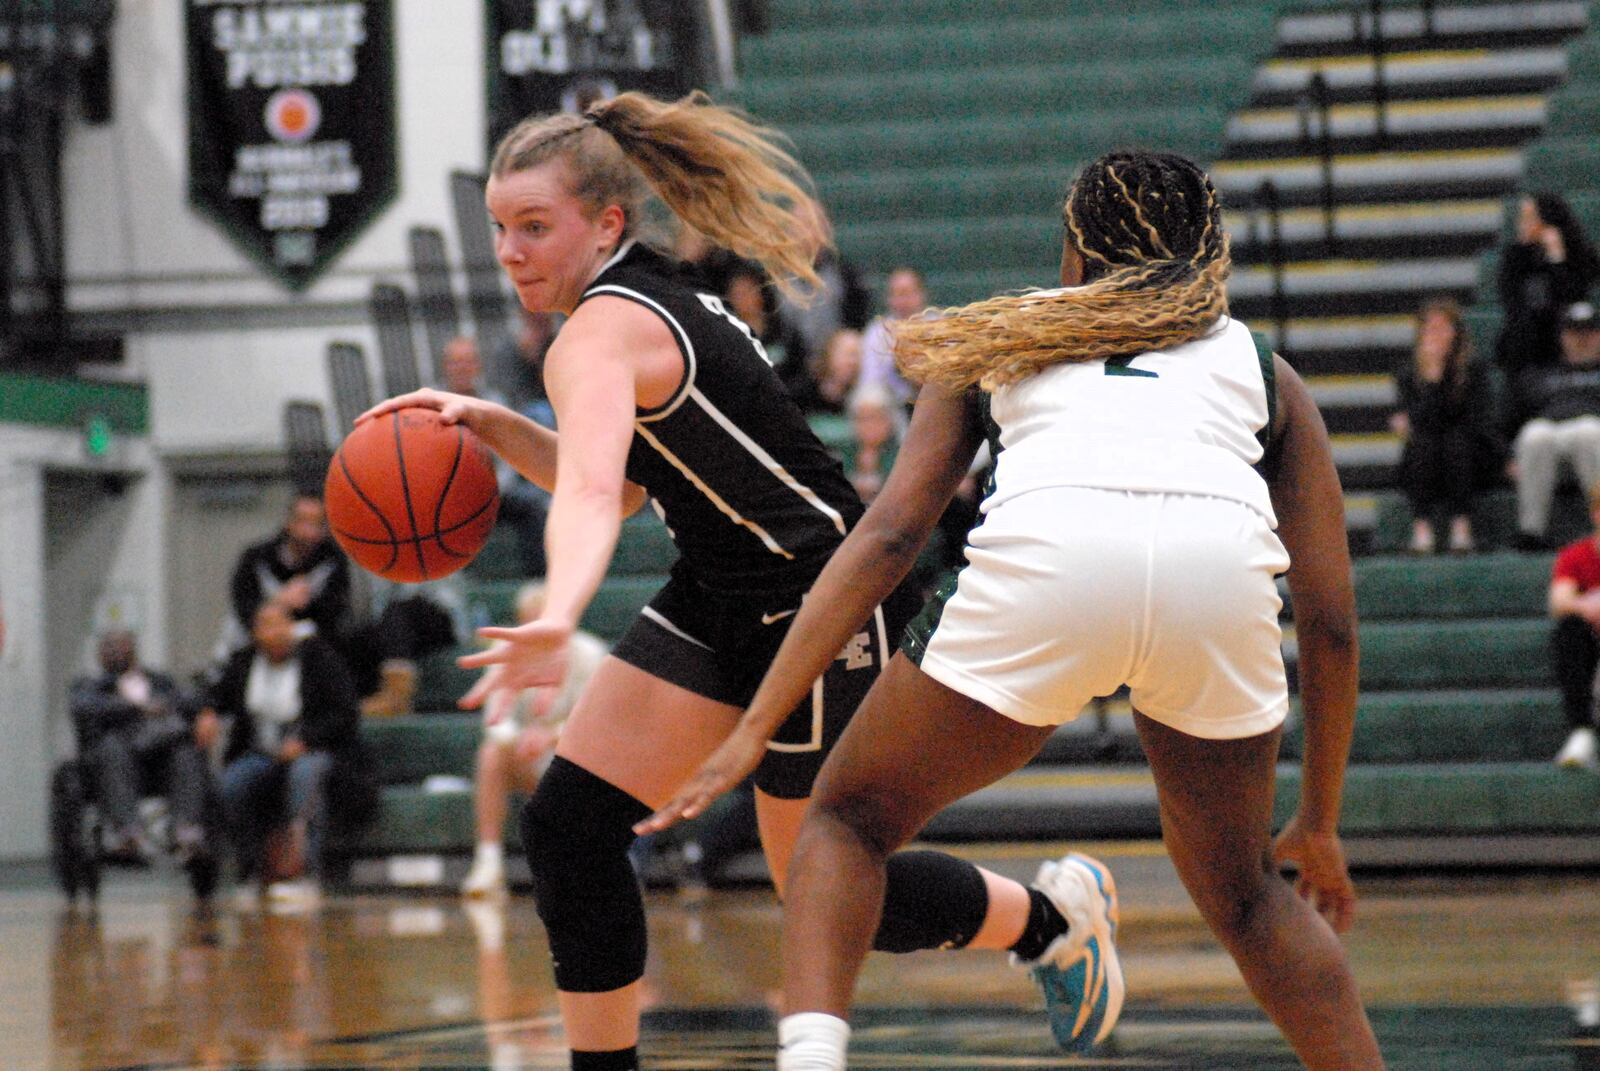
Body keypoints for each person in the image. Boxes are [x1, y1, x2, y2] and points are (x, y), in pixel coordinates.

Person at [361, 91, 1085, 1071]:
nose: (509, 250)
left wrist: (561, 610)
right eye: (498, 227)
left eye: (535, 226)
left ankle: (1049, 921)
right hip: (722, 589)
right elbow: (616, 485)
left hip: (824, 601)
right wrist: (496, 426)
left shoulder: (599, 332)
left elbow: (582, 499)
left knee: (819, 888)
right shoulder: (645, 294)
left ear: (606, 222)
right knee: (570, 826)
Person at [643, 150, 1383, 1070]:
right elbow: (1333, 620)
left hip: (1050, 569)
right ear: (1205, 258)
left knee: (843, 822)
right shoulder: (1262, 368)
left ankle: (812, 1059)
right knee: (1246, 897)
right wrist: (1316, 820)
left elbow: (886, 538)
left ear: (1073, 254)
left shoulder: (994, 336)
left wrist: (758, 723)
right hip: (1216, 580)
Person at [206, 603, 371, 908]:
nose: (274, 632)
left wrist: (306, 739)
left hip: (315, 751)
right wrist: (208, 713)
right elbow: (214, 695)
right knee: (232, 784)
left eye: (280, 623)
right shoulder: (243, 662)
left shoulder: (319, 658)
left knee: (305, 775)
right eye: (265, 625)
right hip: (261, 753)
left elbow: (346, 712)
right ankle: (249, 871)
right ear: (254, 633)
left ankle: (305, 873)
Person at [461, 581, 609, 898]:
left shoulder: (589, 653)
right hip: (527, 758)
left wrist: (552, 737)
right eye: (527, 621)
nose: (534, 629)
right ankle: (488, 865)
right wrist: (519, 741)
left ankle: (583, 865)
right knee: (490, 755)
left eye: (541, 621)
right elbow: (495, 721)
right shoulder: (507, 655)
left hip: (576, 759)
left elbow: (597, 724)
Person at [68, 629, 217, 873]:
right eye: (108, 647)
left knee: (186, 751)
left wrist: (201, 712)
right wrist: (134, 708)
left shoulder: (159, 682)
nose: (115, 651)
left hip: (159, 760)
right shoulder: (90, 686)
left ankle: (186, 831)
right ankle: (127, 832)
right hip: (114, 762)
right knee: (112, 747)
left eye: (121, 645)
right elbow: (84, 707)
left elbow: (187, 700)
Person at [1391, 297, 1502, 554]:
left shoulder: (1473, 369)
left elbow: (1472, 418)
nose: (1437, 335)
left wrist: (1437, 381)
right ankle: (1421, 527)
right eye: (1430, 328)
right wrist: (1431, 380)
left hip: (1468, 452)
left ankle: (1461, 526)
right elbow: (1415, 423)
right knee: (1424, 444)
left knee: (1455, 441)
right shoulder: (1409, 373)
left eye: (1443, 327)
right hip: (1426, 454)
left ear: (1456, 332)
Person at [1497, 193, 1600, 431]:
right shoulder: (1514, 259)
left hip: (1564, 343)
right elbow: (1513, 305)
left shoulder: (1577, 257)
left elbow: (1573, 303)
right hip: (1527, 345)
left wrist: (1556, 259)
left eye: (1530, 218)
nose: (1522, 224)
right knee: (1519, 339)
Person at [1512, 301, 1600, 550]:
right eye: (1575, 333)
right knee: (1534, 434)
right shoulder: (1542, 373)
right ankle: (1532, 531)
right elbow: (1515, 418)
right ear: (1563, 336)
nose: (1582, 339)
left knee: (1588, 431)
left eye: (1589, 332)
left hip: (1593, 436)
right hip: (1550, 436)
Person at [220, 494, 352, 658]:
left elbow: (334, 615)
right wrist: (280, 601)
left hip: (313, 650)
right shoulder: (256, 558)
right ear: (289, 522)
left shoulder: (333, 561)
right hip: (258, 645)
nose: (308, 532)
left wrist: (293, 630)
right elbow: (243, 605)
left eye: (316, 523)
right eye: (303, 521)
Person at [1547, 479, 1600, 770]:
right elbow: (1559, 601)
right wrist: (1589, 605)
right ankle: (1582, 730)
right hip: (1593, 644)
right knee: (1569, 630)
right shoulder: (1576, 556)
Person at [723, 259, 810, 394]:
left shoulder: (784, 332)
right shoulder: (726, 336)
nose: (743, 299)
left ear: (761, 293)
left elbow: (801, 372)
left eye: (748, 291)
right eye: (737, 294)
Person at [857, 266, 926, 408]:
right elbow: (870, 380)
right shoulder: (877, 331)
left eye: (907, 293)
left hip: (930, 400)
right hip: (890, 404)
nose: (903, 301)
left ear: (921, 294)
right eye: (896, 294)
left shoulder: (941, 327)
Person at [839, 382, 904, 505]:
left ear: (890, 421)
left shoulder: (901, 455)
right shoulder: (844, 451)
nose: (869, 426)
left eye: (875, 418)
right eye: (862, 419)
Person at [791, 327, 863, 415]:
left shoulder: (862, 399)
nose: (852, 362)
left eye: (857, 356)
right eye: (848, 354)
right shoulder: (801, 393)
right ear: (830, 354)